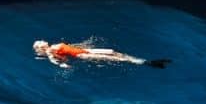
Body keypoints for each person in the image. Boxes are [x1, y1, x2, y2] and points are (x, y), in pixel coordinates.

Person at [33, 40, 170, 69]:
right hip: (83, 56)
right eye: (41, 43)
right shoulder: (51, 51)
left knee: (112, 52)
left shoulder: (54, 46)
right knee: (113, 58)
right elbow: (53, 60)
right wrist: (63, 65)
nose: (43, 41)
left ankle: (144, 61)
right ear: (42, 46)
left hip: (85, 51)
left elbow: (67, 49)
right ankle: (149, 63)